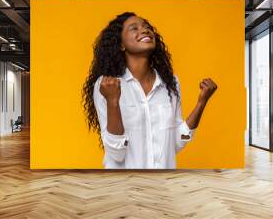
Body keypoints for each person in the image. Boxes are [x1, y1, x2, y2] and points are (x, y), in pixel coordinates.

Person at [82, 12, 217, 169]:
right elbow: (116, 154)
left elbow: (178, 141)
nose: (145, 30)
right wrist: (113, 102)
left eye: (147, 27)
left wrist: (202, 102)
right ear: (121, 44)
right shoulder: (107, 85)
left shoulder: (170, 84)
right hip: (122, 187)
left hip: (161, 186)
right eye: (134, 28)